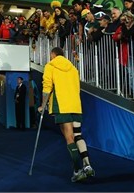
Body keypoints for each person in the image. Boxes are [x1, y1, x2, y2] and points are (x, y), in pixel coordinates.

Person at [38, 47, 95, 182]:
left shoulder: (50, 66)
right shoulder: (73, 68)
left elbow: (47, 87)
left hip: (61, 105)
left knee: (69, 138)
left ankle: (77, 171)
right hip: (75, 105)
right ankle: (87, 165)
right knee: (78, 135)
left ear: (53, 54)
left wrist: (43, 105)